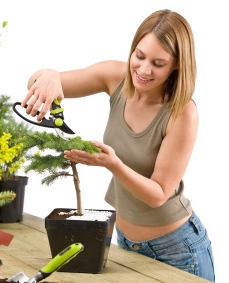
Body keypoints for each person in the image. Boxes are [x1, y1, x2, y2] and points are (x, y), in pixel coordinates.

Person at [21, 9, 215, 282]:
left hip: (177, 250)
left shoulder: (181, 112)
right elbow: (37, 83)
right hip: (125, 242)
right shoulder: (114, 76)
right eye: (139, 56)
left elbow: (158, 194)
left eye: (158, 63)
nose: (144, 70)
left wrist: (113, 164)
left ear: (177, 65)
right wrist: (50, 75)